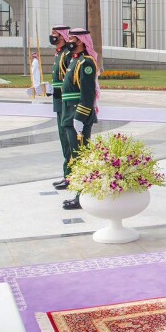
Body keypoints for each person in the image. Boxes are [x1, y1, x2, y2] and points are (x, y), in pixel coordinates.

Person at [61, 28, 99, 210]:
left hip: (78, 114)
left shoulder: (86, 63)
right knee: (76, 156)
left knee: (81, 156)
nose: (70, 42)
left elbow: (88, 94)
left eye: (73, 39)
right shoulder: (74, 61)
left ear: (82, 41)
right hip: (69, 113)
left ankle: (82, 195)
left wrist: (80, 117)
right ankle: (80, 192)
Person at [49, 25, 72, 190]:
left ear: (63, 36)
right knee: (64, 140)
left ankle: (71, 176)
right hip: (59, 101)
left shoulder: (67, 55)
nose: (52, 37)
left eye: (55, 34)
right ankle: (67, 175)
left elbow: (70, 80)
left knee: (69, 140)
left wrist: (55, 89)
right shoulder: (59, 54)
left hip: (66, 102)